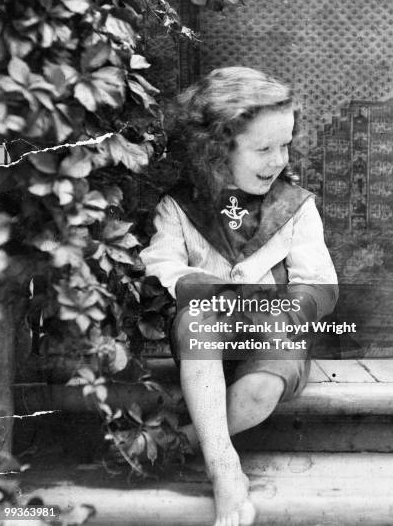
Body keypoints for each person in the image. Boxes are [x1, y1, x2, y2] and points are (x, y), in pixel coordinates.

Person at [140, 66, 338, 526]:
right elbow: (160, 262)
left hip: (272, 330)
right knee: (200, 317)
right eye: (264, 148)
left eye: (285, 145)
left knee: (258, 391)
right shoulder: (180, 206)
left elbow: (320, 282)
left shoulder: (296, 207)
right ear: (217, 149)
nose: (278, 160)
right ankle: (226, 472)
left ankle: (186, 439)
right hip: (203, 337)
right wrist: (204, 287)